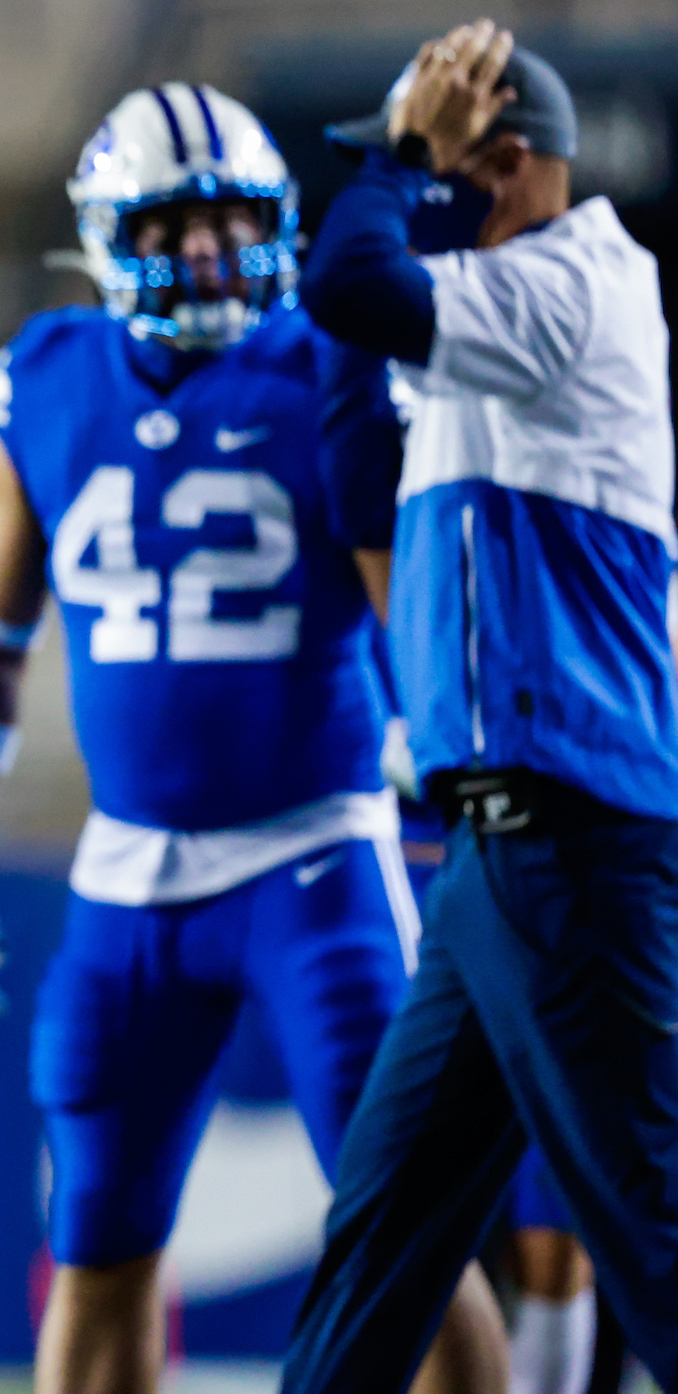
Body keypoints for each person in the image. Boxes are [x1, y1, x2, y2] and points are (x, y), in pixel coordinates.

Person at [0, 82, 503, 1394]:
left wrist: (433, 745)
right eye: (173, 225)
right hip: (129, 877)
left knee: (403, 1230)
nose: (206, 252)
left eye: (232, 221)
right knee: (100, 1241)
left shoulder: (332, 364)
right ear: (106, 235)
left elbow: (405, 595)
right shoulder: (48, 378)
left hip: (318, 858)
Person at [280, 20, 678, 1394]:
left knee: (656, 1248)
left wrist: (401, 177)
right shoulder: (497, 321)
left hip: (575, 842)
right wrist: (386, 211)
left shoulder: (576, 284)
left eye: (428, 165)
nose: (394, 189)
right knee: (379, 1247)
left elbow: (351, 280)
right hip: (498, 861)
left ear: (503, 166)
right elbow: (351, 469)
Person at [315, 176, 604, 1394]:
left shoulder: (582, 441)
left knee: (583, 1205)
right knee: (442, 1201)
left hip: (578, 852)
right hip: (450, 873)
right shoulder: (390, 456)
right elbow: (357, 488)